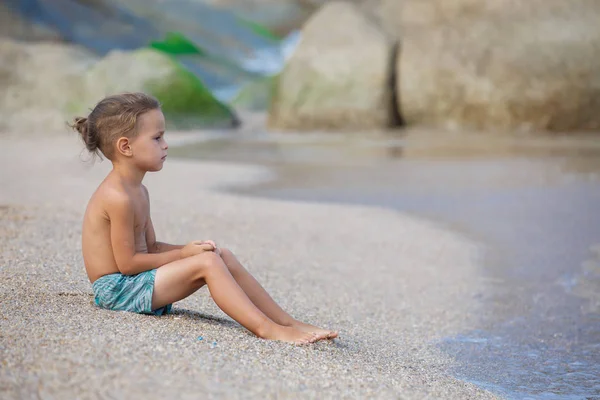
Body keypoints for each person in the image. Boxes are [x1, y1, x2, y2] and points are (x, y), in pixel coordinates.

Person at [72, 92, 337, 344]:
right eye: (157, 138)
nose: (166, 145)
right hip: (117, 291)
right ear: (126, 146)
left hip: (134, 282)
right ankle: (266, 329)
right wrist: (185, 254)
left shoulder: (138, 190)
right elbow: (128, 264)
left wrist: (191, 250)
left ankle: (288, 322)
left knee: (221, 255)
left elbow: (151, 248)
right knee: (208, 264)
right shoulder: (118, 197)